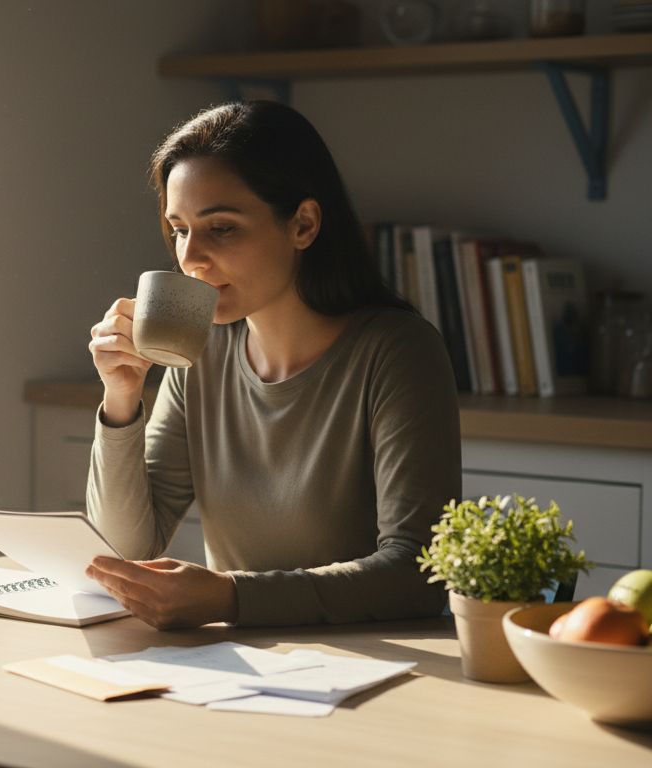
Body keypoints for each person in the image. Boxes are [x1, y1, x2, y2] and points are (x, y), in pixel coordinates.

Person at [84, 101, 460, 629]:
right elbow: (124, 551)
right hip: (246, 667)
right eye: (180, 229)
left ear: (303, 224)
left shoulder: (398, 352)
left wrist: (228, 598)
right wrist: (121, 400)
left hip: (375, 669)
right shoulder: (202, 351)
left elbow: (415, 573)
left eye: (222, 228)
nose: (190, 258)